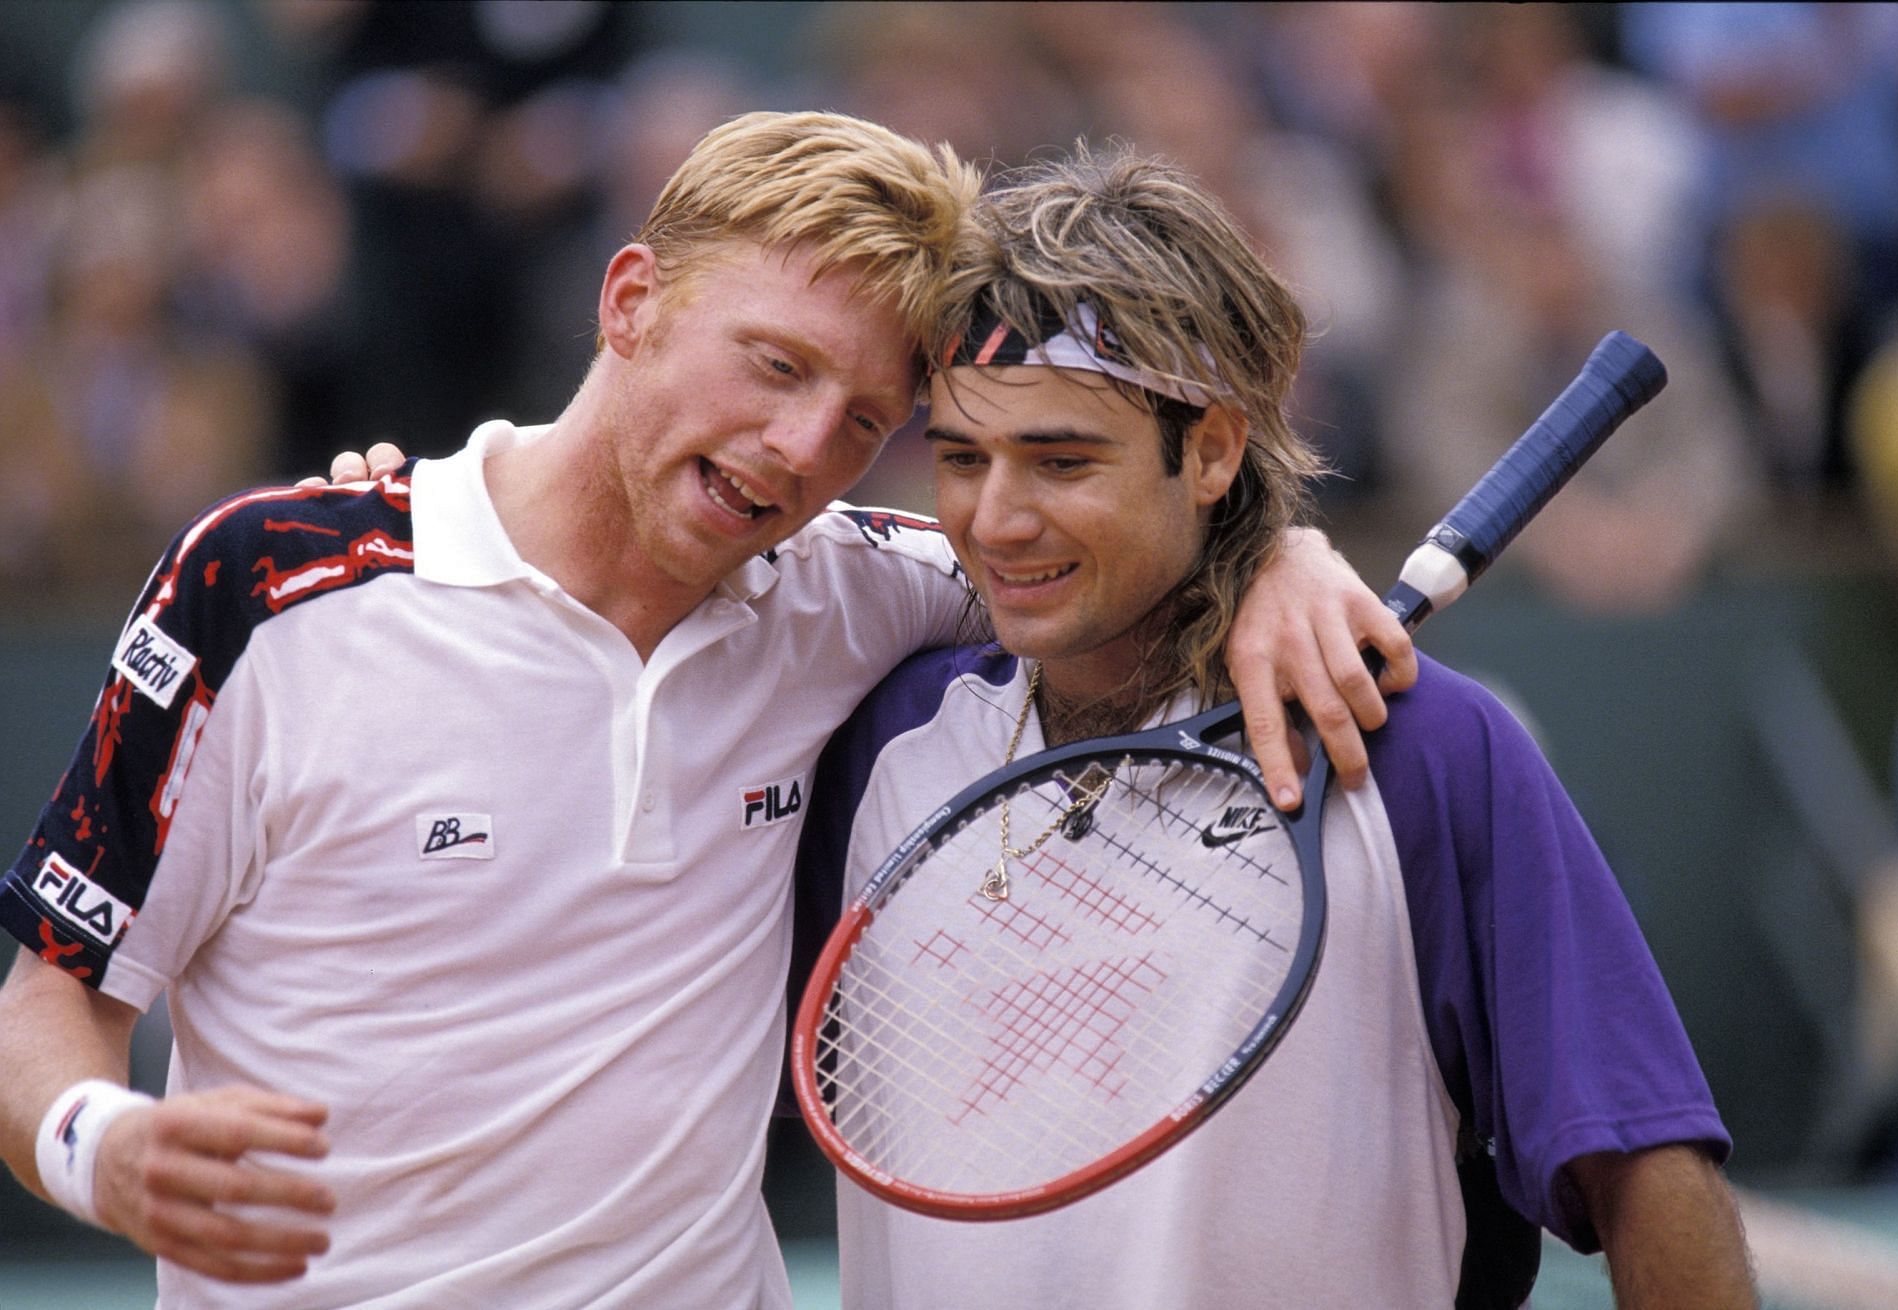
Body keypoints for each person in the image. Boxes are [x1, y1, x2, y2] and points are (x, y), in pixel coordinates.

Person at [0, 111, 1404, 1307]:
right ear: (630, 302)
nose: (802, 450)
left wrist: (1275, 548)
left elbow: (1114, 565)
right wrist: (97, 1143)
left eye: (864, 419)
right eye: (775, 364)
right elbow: (50, 995)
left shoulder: (859, 591)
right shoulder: (264, 585)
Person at [791, 147, 1756, 1308]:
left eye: (1061, 459)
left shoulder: (1425, 752)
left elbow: (1644, 1162)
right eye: (960, 456)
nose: (994, 517)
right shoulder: (877, 739)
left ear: (1210, 449)